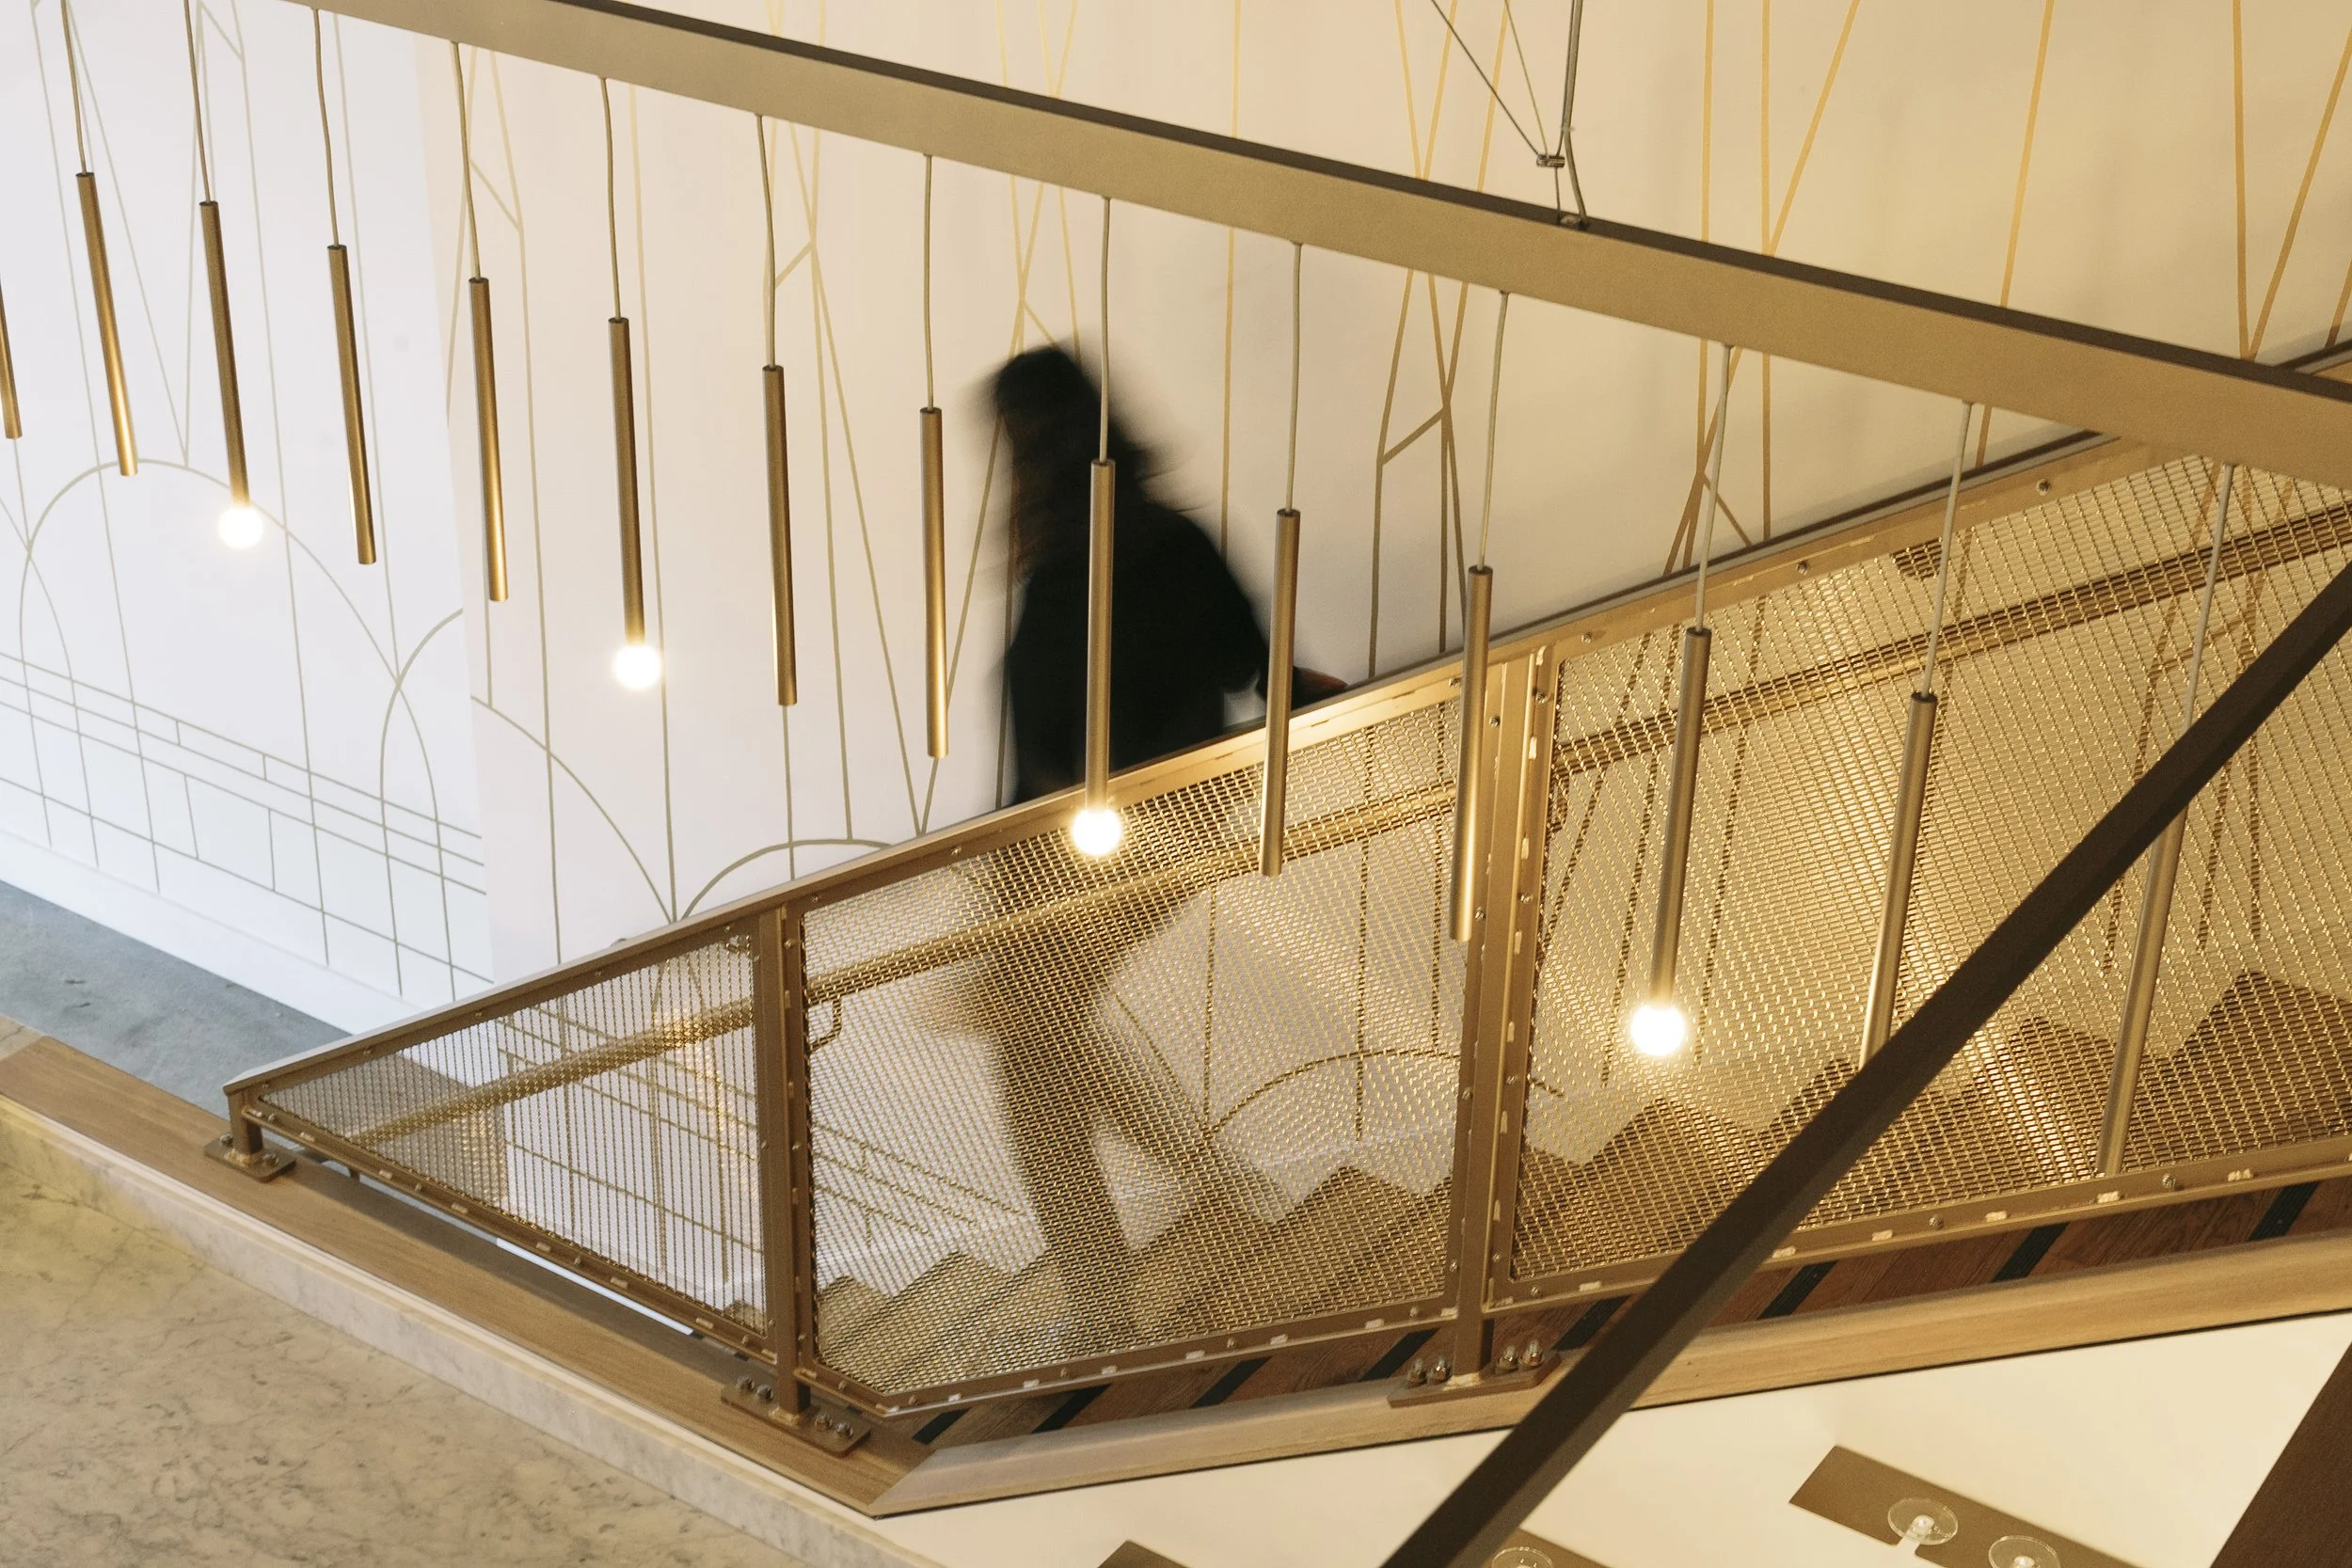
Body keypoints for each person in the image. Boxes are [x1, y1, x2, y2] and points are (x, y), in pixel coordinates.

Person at [974, 345, 1340, 1355]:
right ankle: (1213, 1197)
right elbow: (1251, 663)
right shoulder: (1151, 541)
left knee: (1033, 1065)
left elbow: (1064, 732)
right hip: (1124, 843)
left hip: (1102, 850)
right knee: (1046, 1047)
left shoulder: (1079, 563)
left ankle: (1107, 1298)